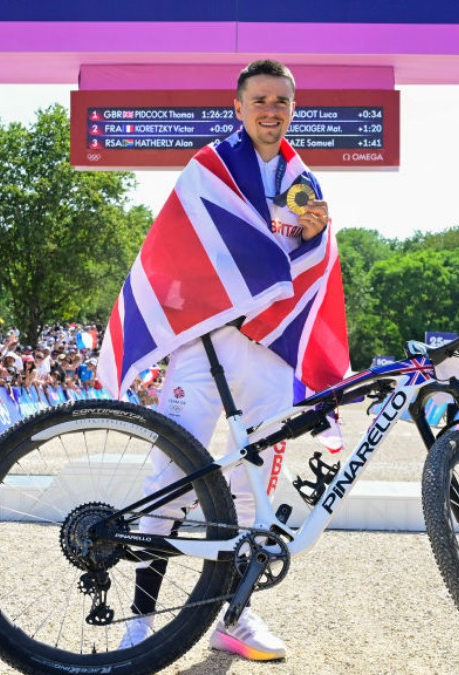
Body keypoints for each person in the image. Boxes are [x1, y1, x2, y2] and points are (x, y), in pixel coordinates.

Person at [99, 59, 346, 661]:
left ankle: (234, 614)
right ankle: (139, 622)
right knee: (171, 483)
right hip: (202, 346)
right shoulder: (208, 168)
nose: (271, 110)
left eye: (282, 101)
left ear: (294, 108)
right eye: (260, 99)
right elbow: (178, 250)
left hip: (268, 353)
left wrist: (316, 232)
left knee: (250, 488)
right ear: (238, 107)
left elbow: (309, 264)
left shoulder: (302, 177)